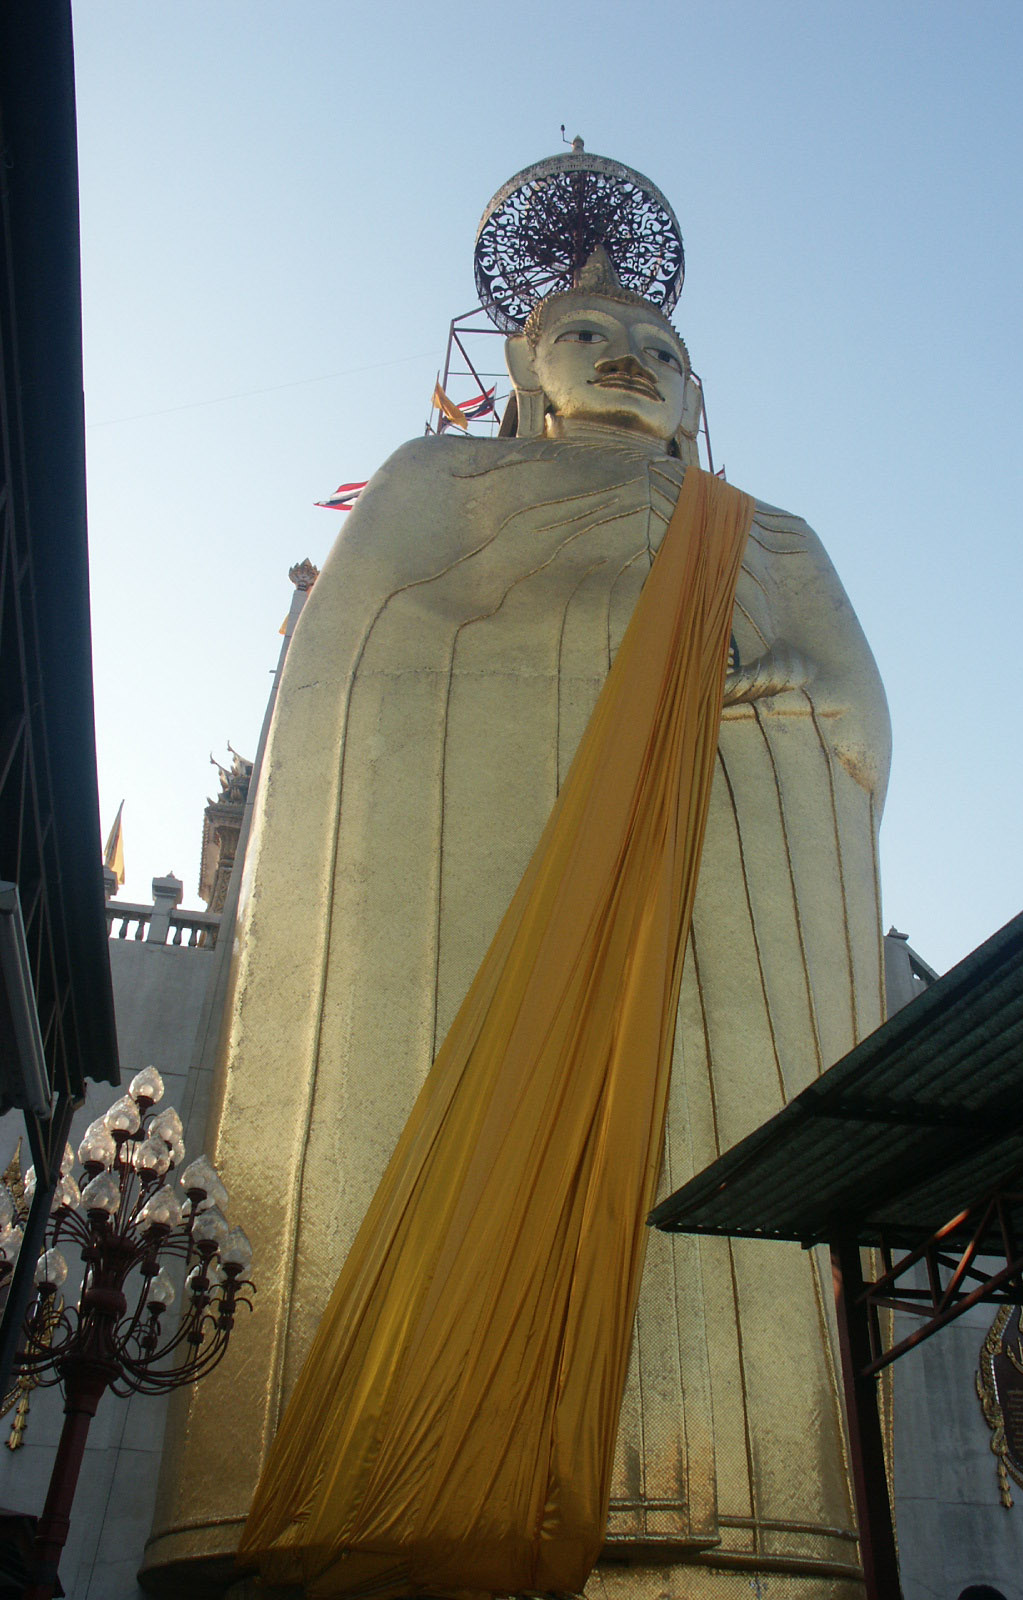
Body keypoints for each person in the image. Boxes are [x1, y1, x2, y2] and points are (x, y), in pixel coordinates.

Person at [145, 250, 890, 1600]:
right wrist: (619, 657)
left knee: (717, 1209)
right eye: (587, 332)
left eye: (658, 347)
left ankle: (743, 1477)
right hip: (488, 928)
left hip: (709, 924)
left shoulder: (767, 536)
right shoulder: (445, 483)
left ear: (695, 391)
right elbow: (352, 677)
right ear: (528, 373)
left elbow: (852, 724)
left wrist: (761, 705)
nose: (628, 357)